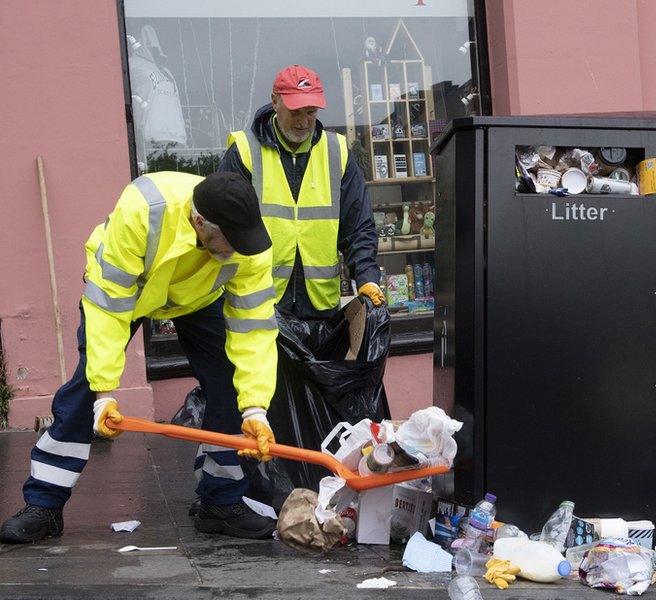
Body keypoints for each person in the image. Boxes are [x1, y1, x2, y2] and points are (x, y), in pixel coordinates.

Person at [1, 172, 280, 543]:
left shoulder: (248, 242)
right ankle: (44, 505)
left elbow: (254, 329)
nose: (238, 250)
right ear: (199, 222)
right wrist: (104, 395)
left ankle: (220, 502)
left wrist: (255, 408)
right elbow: (110, 310)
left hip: (196, 297)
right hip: (127, 292)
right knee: (85, 389)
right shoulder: (142, 210)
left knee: (230, 384)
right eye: (229, 242)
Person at [218, 64, 384, 318]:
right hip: (258, 304)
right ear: (275, 101)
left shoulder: (336, 152)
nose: (304, 121)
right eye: (296, 111)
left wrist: (367, 277)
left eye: (311, 111)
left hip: (320, 307)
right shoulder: (244, 151)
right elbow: (220, 226)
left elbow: (359, 226)